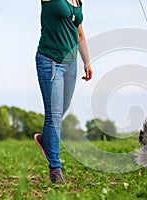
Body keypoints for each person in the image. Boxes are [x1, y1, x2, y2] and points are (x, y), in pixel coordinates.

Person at [34, 0, 93, 184]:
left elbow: (80, 34)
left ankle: (45, 138)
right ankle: (55, 170)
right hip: (50, 61)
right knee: (54, 115)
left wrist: (87, 62)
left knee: (61, 110)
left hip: (70, 64)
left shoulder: (78, 2)